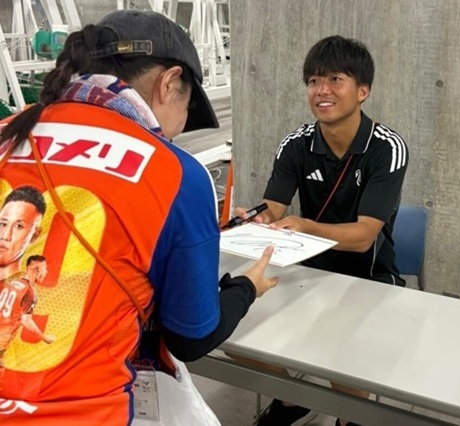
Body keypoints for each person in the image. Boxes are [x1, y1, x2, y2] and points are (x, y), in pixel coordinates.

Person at [0, 10, 277, 425]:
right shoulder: (174, 172)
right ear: (169, 82)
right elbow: (192, 336)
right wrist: (246, 287)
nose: (178, 130)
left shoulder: (10, 132)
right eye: (187, 108)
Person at [235, 35, 409, 426]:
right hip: (307, 268)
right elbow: (273, 208)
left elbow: (364, 237)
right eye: (313, 81)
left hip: (369, 274)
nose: (321, 90)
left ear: (362, 91)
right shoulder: (296, 144)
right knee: (231, 325)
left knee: (339, 350)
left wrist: (305, 225)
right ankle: (291, 399)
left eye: (334, 79)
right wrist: (256, 219)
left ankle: (350, 417)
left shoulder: (387, 148)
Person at [0, 190, 53, 382]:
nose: (5, 236)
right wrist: (44, 337)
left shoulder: (26, 289)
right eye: (3, 224)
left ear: (34, 235)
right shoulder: (25, 288)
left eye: (19, 226)